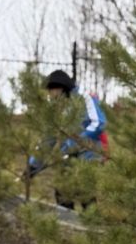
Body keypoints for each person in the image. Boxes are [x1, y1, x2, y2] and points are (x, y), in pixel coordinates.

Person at [26, 70, 108, 208]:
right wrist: (33, 166)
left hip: (88, 155)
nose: (49, 95)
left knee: (86, 197)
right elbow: (47, 139)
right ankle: (69, 225)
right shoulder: (55, 108)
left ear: (60, 87)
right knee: (62, 194)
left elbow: (99, 123)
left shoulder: (84, 98)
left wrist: (75, 143)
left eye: (50, 91)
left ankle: (90, 227)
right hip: (68, 156)